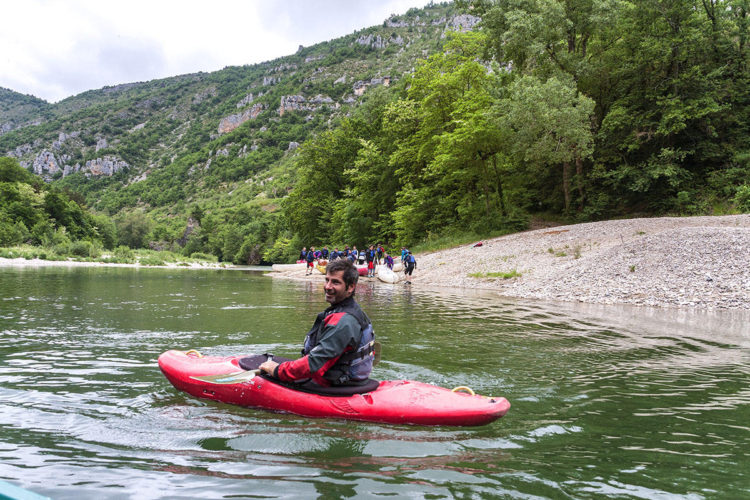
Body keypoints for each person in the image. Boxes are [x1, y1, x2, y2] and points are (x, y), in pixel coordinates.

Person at [259, 258, 375, 386]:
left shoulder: (343, 321)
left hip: (336, 384)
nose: (327, 287)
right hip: (350, 379)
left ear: (351, 287)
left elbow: (314, 364)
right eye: (327, 280)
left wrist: (276, 370)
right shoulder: (353, 311)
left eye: (335, 282)